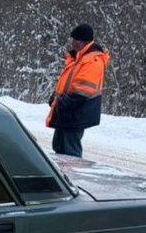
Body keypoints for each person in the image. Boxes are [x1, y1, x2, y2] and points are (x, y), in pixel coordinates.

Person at [46, 24, 110, 157]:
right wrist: (55, 98)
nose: (72, 43)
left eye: (74, 40)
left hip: (75, 112)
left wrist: (62, 102)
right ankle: (62, 176)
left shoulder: (92, 60)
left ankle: (70, 177)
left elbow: (82, 90)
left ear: (82, 41)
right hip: (66, 111)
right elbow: (66, 82)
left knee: (71, 152)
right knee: (59, 147)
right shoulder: (77, 58)